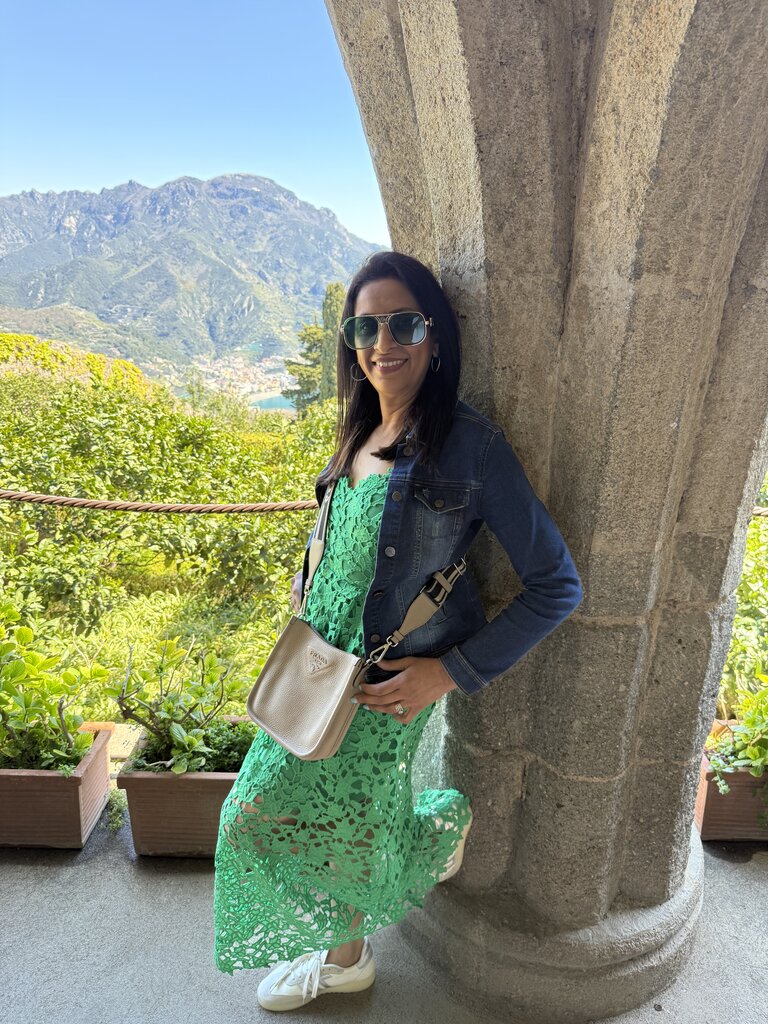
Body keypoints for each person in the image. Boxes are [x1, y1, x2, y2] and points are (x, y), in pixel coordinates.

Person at [212, 250, 584, 1011]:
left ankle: (363, 933)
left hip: (384, 687)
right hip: (316, 668)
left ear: (435, 335)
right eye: (365, 327)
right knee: (276, 816)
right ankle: (385, 890)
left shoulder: (471, 447)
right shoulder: (359, 427)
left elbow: (557, 586)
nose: (383, 342)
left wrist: (447, 674)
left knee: (311, 819)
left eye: (404, 324)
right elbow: (342, 543)